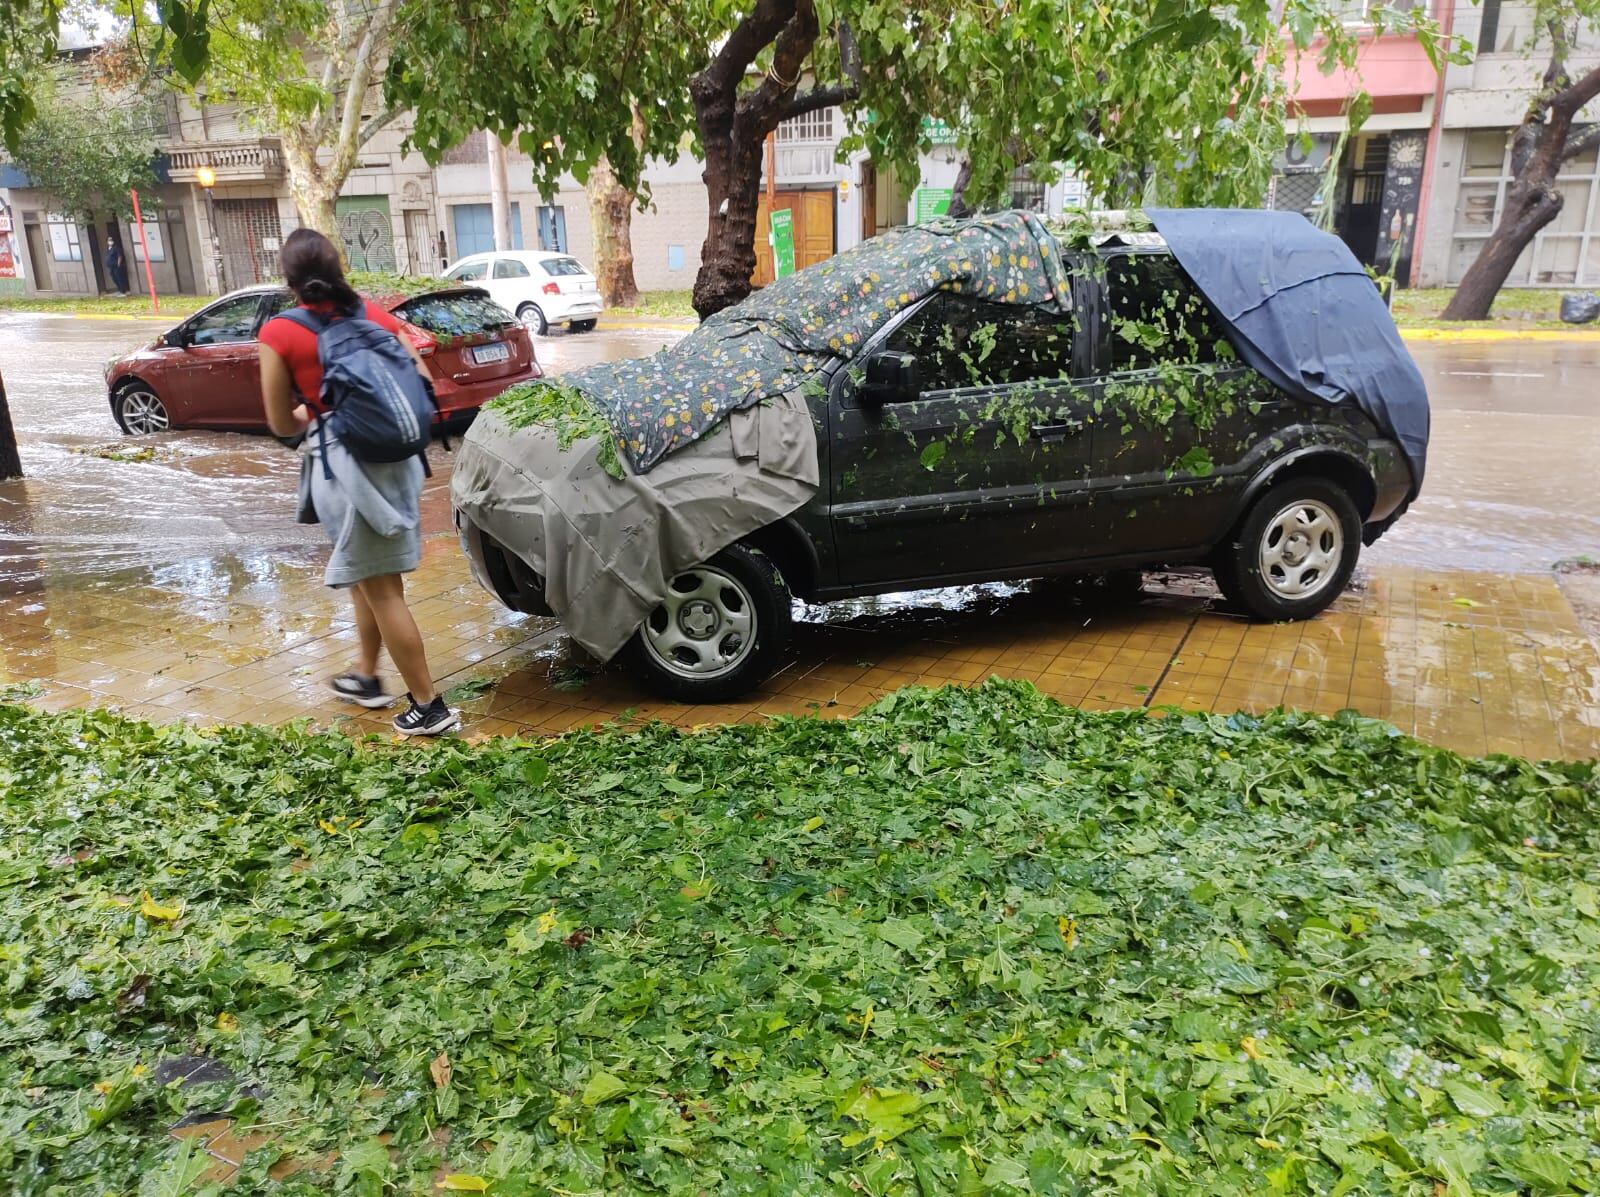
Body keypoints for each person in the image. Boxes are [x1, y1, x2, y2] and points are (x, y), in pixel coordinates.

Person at [258, 228, 459, 736]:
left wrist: (316, 410)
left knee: (384, 589)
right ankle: (367, 676)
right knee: (367, 578)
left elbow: (280, 422)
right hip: (402, 462)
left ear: (290, 278)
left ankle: (429, 706)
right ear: (338, 267)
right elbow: (425, 381)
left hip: (351, 472)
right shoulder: (371, 314)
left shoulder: (280, 333)